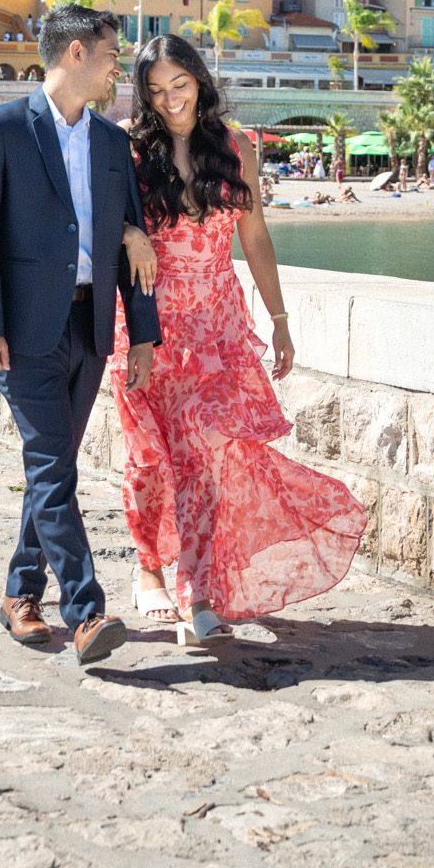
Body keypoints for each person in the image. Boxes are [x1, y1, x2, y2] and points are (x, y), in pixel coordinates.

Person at [113, 33, 367, 643]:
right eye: (156, 90)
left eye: (180, 84)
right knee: (152, 457)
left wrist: (279, 322)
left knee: (209, 453)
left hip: (219, 324)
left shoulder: (235, 146)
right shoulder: (128, 146)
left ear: (199, 80)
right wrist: (130, 233)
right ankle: (148, 568)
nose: (171, 99)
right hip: (149, 322)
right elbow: (97, 217)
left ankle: (199, 591)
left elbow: (253, 238)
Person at [0, 3, 159, 666]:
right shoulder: (1, 128)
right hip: (22, 331)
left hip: (89, 325)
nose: (115, 70)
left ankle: (19, 594)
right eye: (108, 57)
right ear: (74, 54)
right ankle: (85, 612)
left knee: (54, 470)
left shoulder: (108, 142)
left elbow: (130, 241)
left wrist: (144, 336)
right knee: (50, 463)